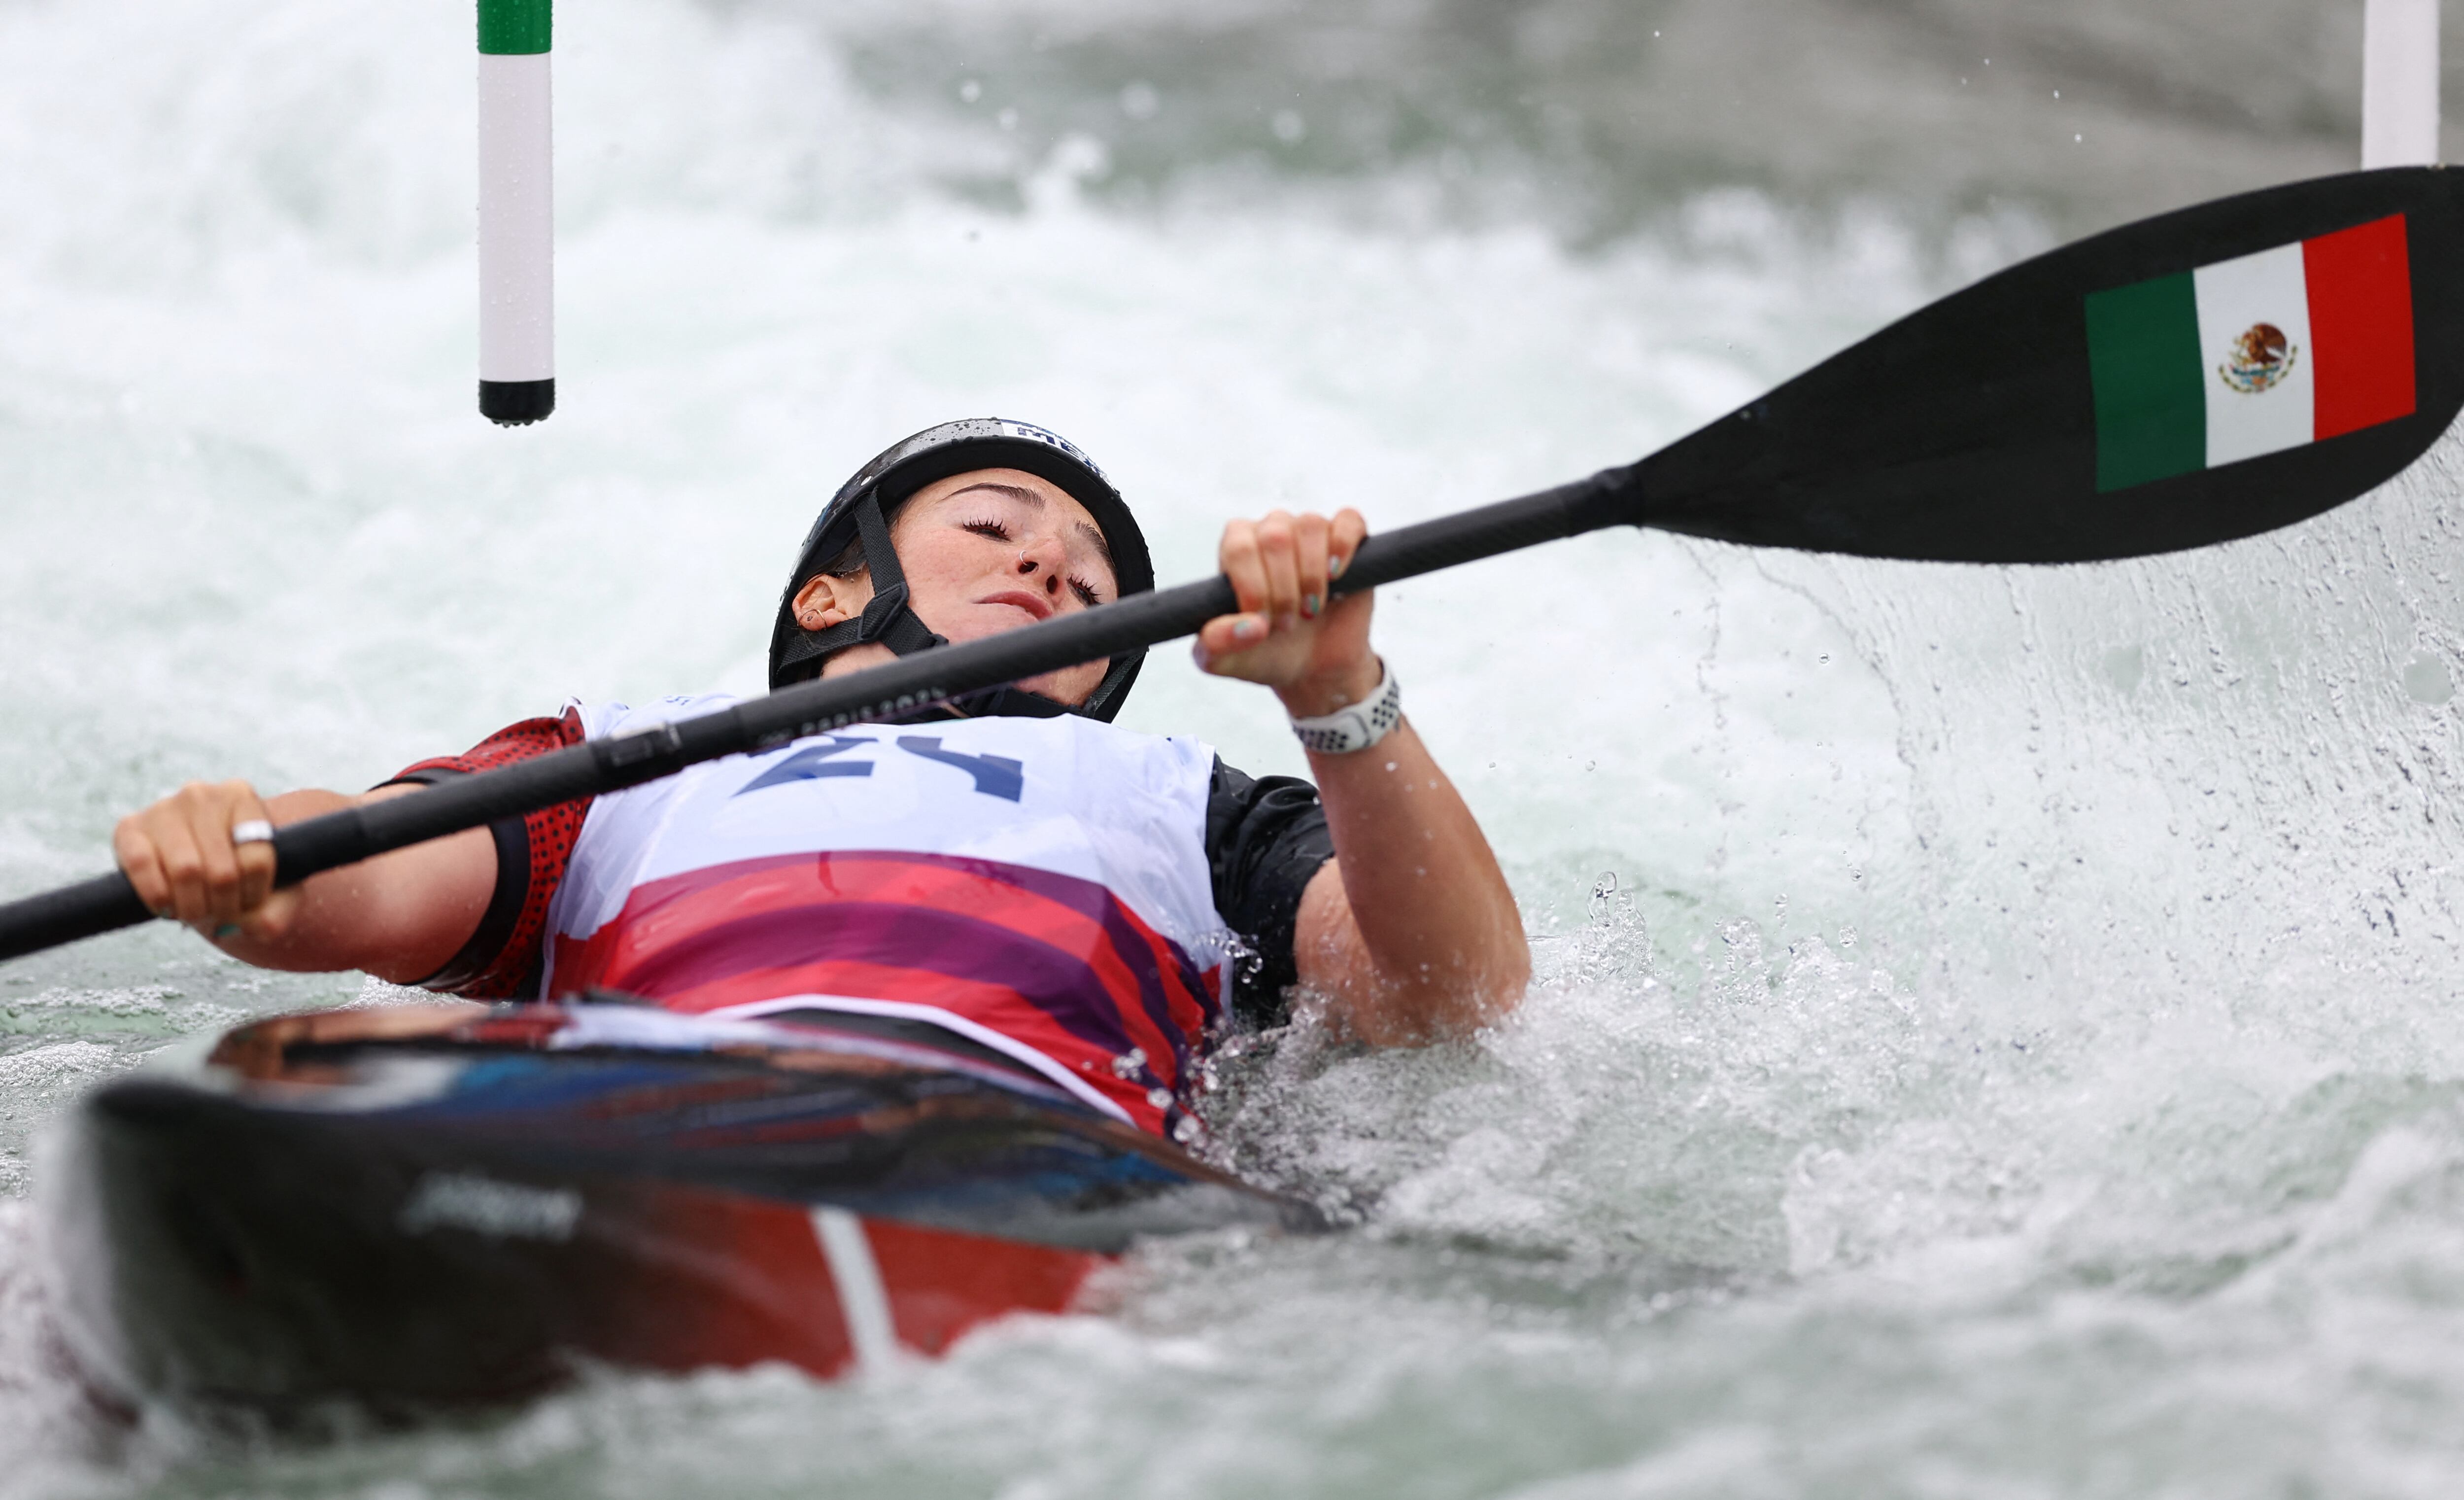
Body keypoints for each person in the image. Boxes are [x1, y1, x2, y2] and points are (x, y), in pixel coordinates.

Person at [110, 419, 1529, 1139]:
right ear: (838, 594)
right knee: (312, 1060)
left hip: (1015, 1138)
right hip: (650, 1114)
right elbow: (358, 879)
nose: (1051, 565)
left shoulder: (1180, 795)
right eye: (994, 526)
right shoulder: (625, 753)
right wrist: (245, 854)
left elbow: (1452, 996)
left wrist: (1335, 696)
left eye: (1091, 580)